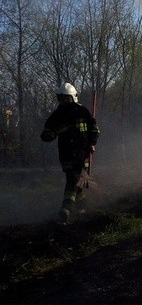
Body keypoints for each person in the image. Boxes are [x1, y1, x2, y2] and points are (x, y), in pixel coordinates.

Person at [41, 82, 100, 223]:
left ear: (73, 97)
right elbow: (47, 131)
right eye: (61, 98)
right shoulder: (57, 115)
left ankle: (74, 206)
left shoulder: (83, 111)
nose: (63, 101)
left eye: (66, 98)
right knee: (76, 180)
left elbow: (94, 129)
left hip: (82, 152)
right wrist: (48, 135)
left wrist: (92, 143)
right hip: (67, 153)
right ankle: (74, 207)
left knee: (78, 179)